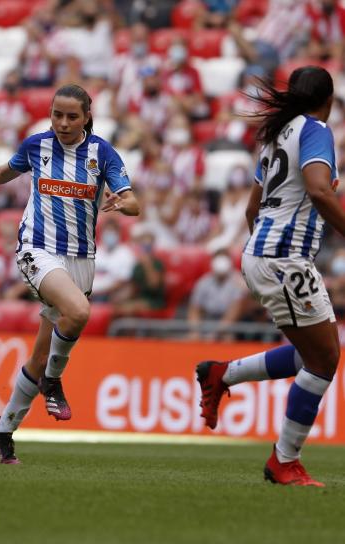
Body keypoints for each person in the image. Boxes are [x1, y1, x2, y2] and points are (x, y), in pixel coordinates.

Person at [0, 84, 140, 463]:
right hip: (36, 250)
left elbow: (134, 201)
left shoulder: (101, 153)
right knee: (79, 313)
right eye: (57, 114)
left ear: (87, 116)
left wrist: (123, 203)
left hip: (80, 261)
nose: (63, 123)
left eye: (72, 116)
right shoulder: (37, 146)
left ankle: (2, 432)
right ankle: (52, 383)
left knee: (40, 355)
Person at [196, 66, 342, 487]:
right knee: (325, 359)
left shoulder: (276, 135)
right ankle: (284, 461)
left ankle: (222, 373)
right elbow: (318, 189)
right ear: (327, 102)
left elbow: (249, 210)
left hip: (263, 253)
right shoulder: (314, 130)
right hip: (284, 258)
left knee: (312, 353)